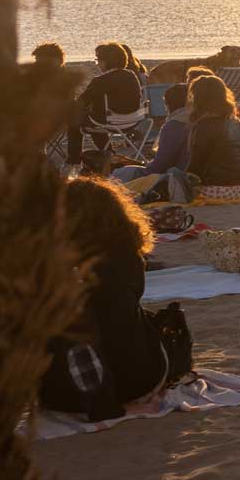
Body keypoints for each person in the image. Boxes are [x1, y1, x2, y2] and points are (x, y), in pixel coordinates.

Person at [39, 177, 171, 416]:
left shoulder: (80, 274)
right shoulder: (127, 255)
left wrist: (108, 407)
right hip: (137, 370)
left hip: (115, 387)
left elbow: (82, 345)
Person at [68, 40, 147, 163]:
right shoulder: (131, 75)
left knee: (75, 121)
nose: (97, 64)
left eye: (98, 60)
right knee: (94, 118)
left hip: (110, 121)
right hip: (133, 120)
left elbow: (82, 101)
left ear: (105, 62)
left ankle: (73, 161)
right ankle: (109, 153)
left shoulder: (100, 80)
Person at [182, 73, 240, 198]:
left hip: (216, 189)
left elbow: (196, 164)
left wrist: (184, 178)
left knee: (172, 175)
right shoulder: (236, 121)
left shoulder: (205, 125)